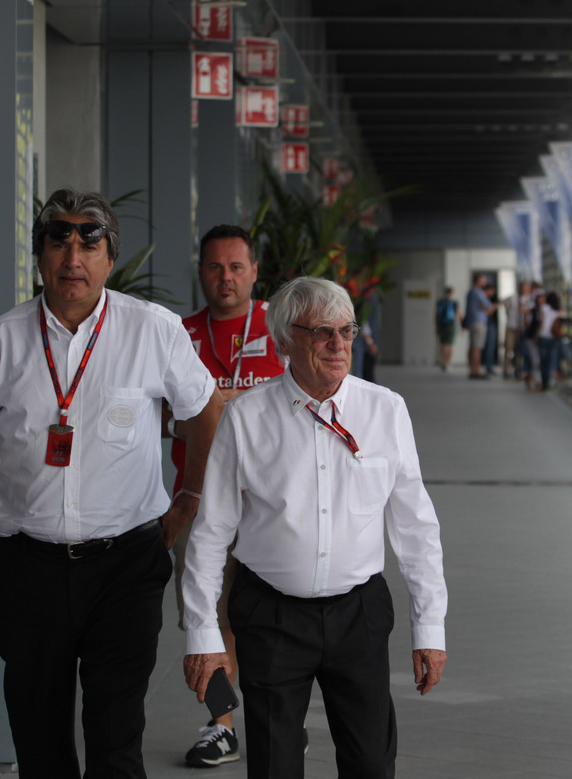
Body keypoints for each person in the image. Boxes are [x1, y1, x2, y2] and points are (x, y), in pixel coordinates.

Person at [0, 189, 224, 779]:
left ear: (109, 258)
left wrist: (189, 499)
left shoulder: (153, 330)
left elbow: (206, 412)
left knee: (115, 737)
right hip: (31, 572)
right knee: (39, 740)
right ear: (40, 255)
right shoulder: (1, 341)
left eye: (89, 241)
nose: (73, 256)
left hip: (126, 565)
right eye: (59, 240)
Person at [182, 276, 448, 779]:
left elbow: (416, 525)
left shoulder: (384, 410)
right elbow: (211, 531)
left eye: (346, 331)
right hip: (271, 615)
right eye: (322, 332)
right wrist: (203, 635)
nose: (338, 344)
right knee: (275, 765)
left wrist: (429, 627)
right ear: (285, 342)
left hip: (359, 614)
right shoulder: (246, 417)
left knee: (371, 762)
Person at [168, 224, 285, 768]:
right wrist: (236, 402)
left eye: (237, 267)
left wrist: (212, 404)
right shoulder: (178, 335)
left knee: (267, 618)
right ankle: (222, 725)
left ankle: (276, 721)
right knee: (206, 616)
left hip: (268, 503)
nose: (226, 278)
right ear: (201, 272)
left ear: (255, 271)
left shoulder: (281, 329)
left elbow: (294, 406)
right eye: (215, 267)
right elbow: (167, 417)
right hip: (195, 500)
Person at [465, 273, 495, 379]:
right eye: (483, 279)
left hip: (473, 322)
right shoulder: (478, 292)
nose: (485, 282)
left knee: (473, 347)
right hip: (478, 323)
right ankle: (476, 371)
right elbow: (488, 306)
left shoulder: (471, 292)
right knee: (477, 348)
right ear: (478, 280)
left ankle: (472, 369)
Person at [504, 281, 533, 379]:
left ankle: (518, 370)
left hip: (522, 328)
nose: (525, 289)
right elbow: (505, 303)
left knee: (519, 351)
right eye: (523, 287)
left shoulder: (531, 299)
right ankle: (506, 370)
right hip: (511, 326)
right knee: (509, 349)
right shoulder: (514, 297)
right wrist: (508, 312)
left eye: (527, 287)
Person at [435, 286, 457, 370]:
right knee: (451, 344)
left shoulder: (440, 302)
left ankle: (444, 362)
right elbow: (458, 314)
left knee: (443, 344)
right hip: (451, 325)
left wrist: (436, 326)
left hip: (442, 325)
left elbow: (437, 315)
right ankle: (448, 362)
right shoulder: (454, 302)